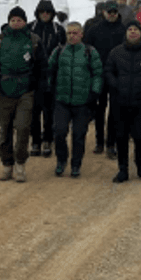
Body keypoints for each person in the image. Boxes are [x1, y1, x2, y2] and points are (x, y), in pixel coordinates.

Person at [0, 6, 49, 183]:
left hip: (26, 90)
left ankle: (20, 163)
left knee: (23, 127)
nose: (16, 23)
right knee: (5, 129)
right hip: (4, 89)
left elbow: (43, 66)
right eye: (13, 20)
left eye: (19, 20)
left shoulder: (33, 40)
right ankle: (6, 164)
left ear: (25, 22)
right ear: (9, 21)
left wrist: (41, 90)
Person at [105, 21, 141, 183]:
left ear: (140, 32)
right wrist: (115, 84)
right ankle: (123, 169)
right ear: (126, 33)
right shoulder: (116, 52)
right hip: (119, 102)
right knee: (121, 136)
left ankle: (139, 162)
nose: (132, 32)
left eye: (135, 29)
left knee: (140, 135)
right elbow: (108, 70)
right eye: (129, 29)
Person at [47, 21, 103, 178]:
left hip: (82, 102)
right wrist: (49, 89)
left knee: (78, 135)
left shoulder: (89, 52)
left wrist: (94, 92)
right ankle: (61, 160)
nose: (72, 36)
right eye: (69, 33)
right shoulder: (59, 51)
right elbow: (49, 70)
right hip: (62, 100)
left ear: (81, 34)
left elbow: (97, 73)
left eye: (75, 33)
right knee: (59, 132)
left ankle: (76, 164)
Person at [84, 0, 127, 159]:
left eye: (114, 12)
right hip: (99, 74)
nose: (112, 14)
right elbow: (86, 51)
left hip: (117, 75)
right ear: (104, 12)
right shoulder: (94, 29)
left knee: (115, 110)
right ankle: (99, 142)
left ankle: (111, 144)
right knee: (99, 109)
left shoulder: (124, 30)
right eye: (109, 12)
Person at [28, 0, 67, 158]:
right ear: (37, 12)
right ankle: (35, 141)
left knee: (49, 110)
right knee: (34, 110)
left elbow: (64, 52)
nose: (45, 14)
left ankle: (48, 140)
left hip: (52, 75)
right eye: (42, 11)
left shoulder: (58, 30)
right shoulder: (30, 28)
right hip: (33, 75)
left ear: (52, 13)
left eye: (48, 12)